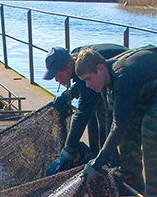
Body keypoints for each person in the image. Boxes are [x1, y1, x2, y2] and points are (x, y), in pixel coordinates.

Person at [75, 45, 157, 197]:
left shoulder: (122, 75)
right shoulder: (107, 83)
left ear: (100, 68)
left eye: (89, 79)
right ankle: (132, 181)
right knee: (129, 128)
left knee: (151, 128)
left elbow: (118, 125)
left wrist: (98, 163)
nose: (87, 85)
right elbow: (112, 122)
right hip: (152, 87)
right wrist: (105, 160)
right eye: (84, 81)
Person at [43, 44, 126, 176]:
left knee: (105, 123)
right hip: (102, 82)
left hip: (124, 81)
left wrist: (67, 150)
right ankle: (99, 159)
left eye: (57, 75)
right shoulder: (75, 58)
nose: (57, 80)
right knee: (94, 118)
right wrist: (68, 95)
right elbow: (82, 85)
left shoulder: (83, 64)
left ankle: (112, 167)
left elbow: (82, 112)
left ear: (69, 67)